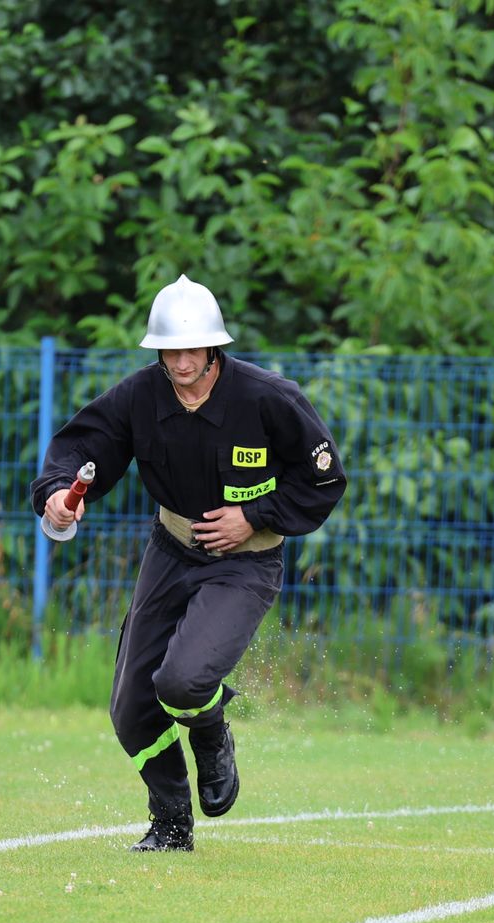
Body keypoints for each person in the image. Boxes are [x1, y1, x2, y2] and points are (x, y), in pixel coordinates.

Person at [32, 274, 349, 851]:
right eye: (168, 350)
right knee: (129, 709)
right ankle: (171, 824)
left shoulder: (269, 398)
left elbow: (323, 479)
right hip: (170, 552)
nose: (179, 362)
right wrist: (57, 492)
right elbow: (84, 450)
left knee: (181, 682)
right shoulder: (139, 397)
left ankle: (211, 729)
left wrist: (255, 515)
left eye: (190, 349)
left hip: (244, 564)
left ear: (213, 347)